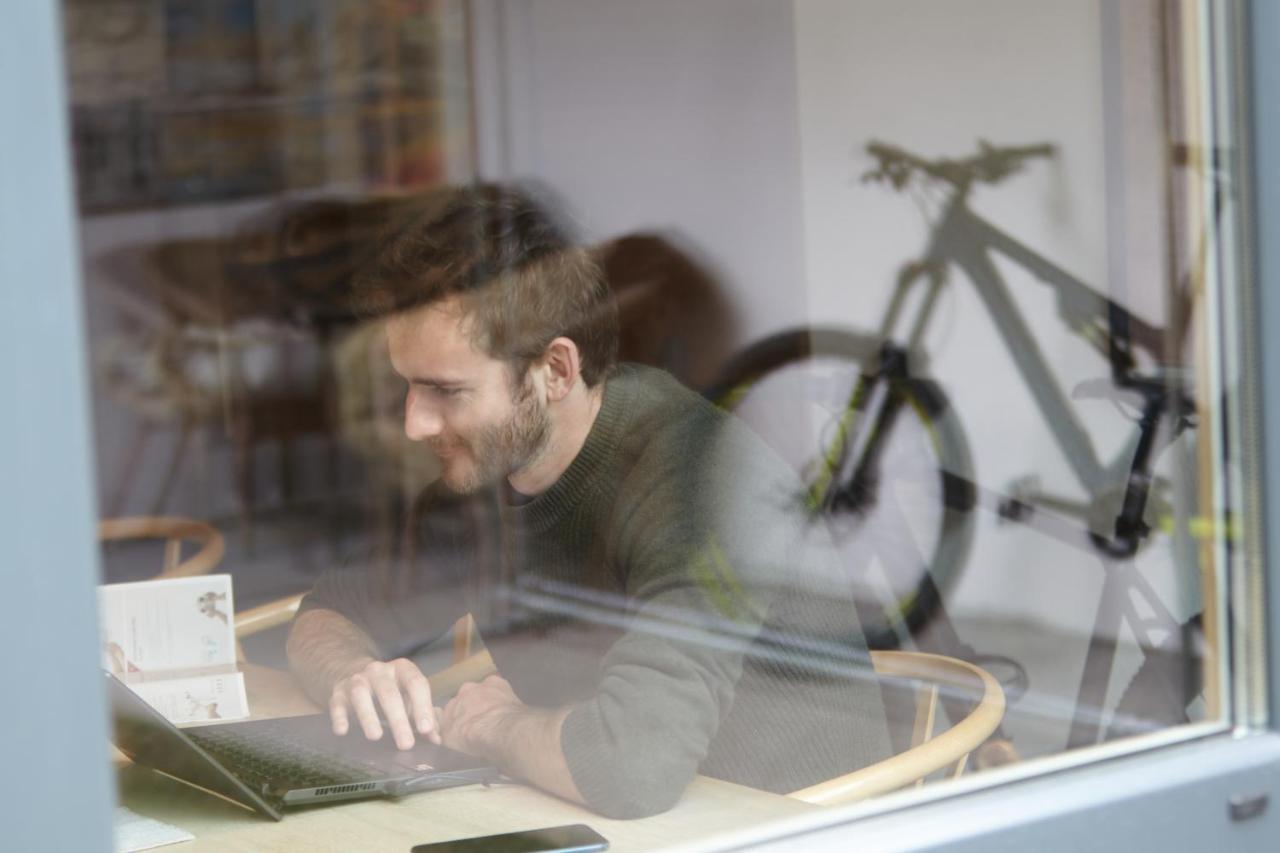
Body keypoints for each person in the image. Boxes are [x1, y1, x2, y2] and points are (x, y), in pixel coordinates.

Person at [286, 185, 891, 818]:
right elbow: (329, 613)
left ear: (555, 371)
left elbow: (631, 767)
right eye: (410, 387)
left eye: (445, 390)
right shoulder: (481, 483)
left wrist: (496, 726)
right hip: (610, 819)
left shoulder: (699, 483)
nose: (415, 424)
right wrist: (356, 676)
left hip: (782, 828)